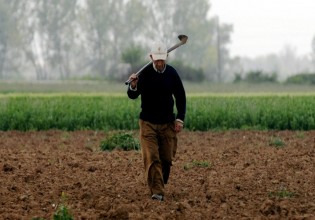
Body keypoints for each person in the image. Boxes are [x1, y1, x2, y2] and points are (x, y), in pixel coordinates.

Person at [127, 40, 186, 201]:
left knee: (166, 160)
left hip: (167, 123)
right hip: (148, 123)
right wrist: (132, 85)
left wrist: (180, 118)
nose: (160, 63)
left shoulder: (172, 74)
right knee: (152, 157)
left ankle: (160, 181)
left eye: (162, 59)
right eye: (157, 59)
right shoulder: (143, 74)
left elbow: (181, 96)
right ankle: (157, 191)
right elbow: (133, 95)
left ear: (166, 57)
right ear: (151, 57)